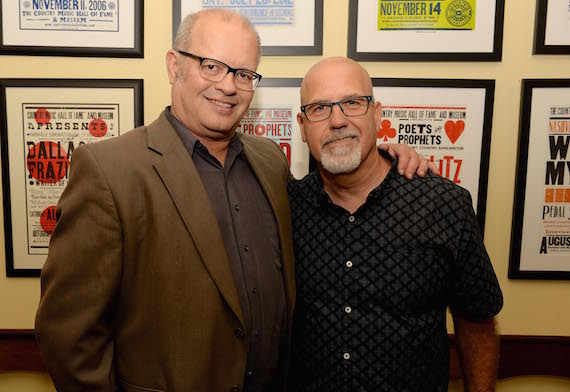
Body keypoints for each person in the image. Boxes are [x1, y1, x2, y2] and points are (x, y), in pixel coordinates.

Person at [35, 10, 428, 392]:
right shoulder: (108, 169)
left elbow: (338, 187)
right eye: (211, 65)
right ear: (175, 66)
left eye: (243, 74)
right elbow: (69, 337)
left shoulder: (269, 159)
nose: (228, 86)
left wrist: (384, 157)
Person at [288, 57, 503, 392]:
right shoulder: (283, 206)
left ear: (376, 114)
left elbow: (476, 318)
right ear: (302, 127)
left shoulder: (444, 205)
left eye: (352, 103)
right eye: (319, 108)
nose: (337, 120)